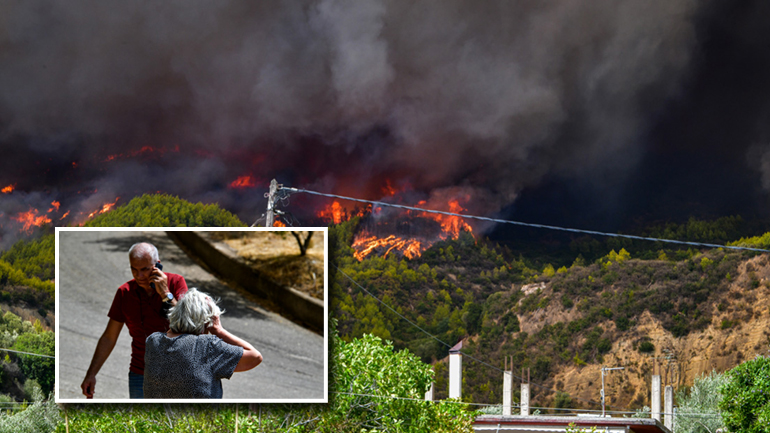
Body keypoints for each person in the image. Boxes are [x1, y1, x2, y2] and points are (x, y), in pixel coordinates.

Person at [80, 242, 188, 399]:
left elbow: (186, 325)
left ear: (157, 265)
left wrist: (165, 293)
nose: (139, 276)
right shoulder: (124, 293)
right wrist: (91, 374)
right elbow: (109, 337)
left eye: (145, 269)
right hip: (140, 375)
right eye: (134, 270)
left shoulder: (176, 283)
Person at [143, 288, 262, 398]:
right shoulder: (206, 346)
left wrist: (179, 319)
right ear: (207, 322)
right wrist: (218, 330)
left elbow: (172, 335)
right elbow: (255, 357)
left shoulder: (153, 341)